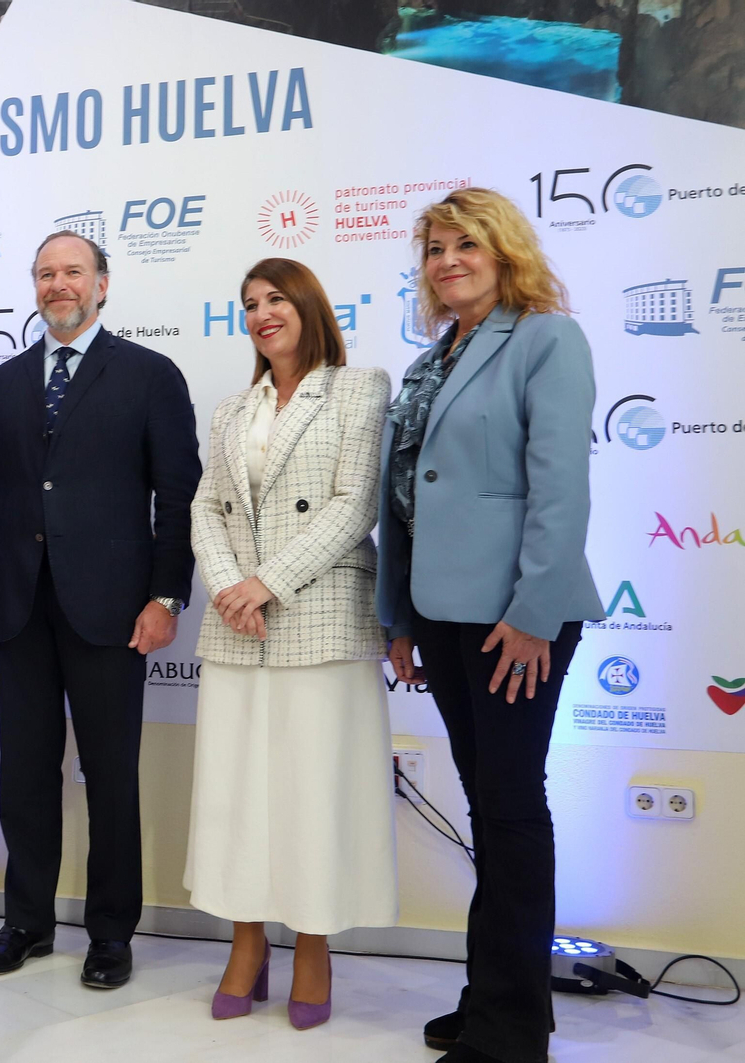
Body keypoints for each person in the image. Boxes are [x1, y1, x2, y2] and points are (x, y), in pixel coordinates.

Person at [377, 188, 603, 1063]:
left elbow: (559, 488)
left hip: (517, 618)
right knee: (491, 807)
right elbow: (406, 495)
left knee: (510, 811)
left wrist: (534, 612)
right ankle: (495, 997)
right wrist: (398, 616)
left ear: (504, 250)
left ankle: (510, 1031)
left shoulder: (547, 337)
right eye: (433, 248)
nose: (446, 261)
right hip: (442, 615)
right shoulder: (438, 355)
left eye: (465, 243)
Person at [0, 231, 201, 989]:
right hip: (18, 608)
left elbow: (180, 497)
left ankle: (110, 933)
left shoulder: (151, 375)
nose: (58, 285)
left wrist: (165, 595)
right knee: (24, 775)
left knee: (110, 776)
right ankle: (26, 921)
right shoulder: (1, 385)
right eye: (45, 274)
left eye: (72, 272)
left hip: (113, 612)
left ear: (103, 284)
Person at [183, 258, 396, 1029]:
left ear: (307, 305)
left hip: (318, 618)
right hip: (239, 625)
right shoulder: (232, 409)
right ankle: (245, 943)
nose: (262, 313)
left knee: (312, 792)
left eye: (276, 299)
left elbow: (355, 503)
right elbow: (205, 504)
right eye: (249, 304)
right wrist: (229, 583)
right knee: (238, 794)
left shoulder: (359, 387)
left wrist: (267, 580)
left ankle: (312, 946)